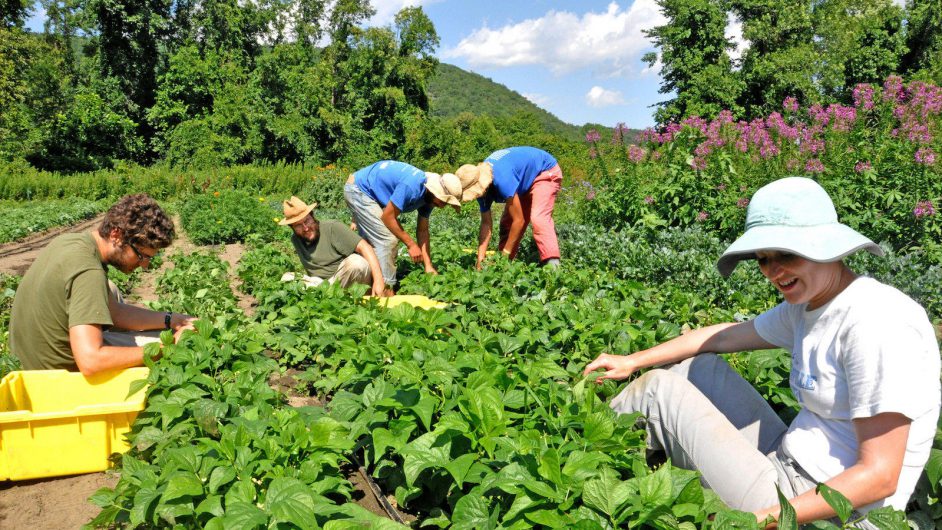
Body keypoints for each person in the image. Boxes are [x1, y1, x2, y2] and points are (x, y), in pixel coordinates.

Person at [583, 177, 940, 528]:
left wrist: (759, 521)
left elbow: (879, 477)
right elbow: (723, 337)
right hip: (789, 461)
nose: (773, 271)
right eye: (763, 258)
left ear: (827, 245)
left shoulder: (876, 322)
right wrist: (631, 361)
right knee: (698, 368)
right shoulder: (811, 304)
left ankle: (583, 456)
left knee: (658, 392)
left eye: (786, 253)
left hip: (829, 513)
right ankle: (614, 451)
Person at [9, 194, 197, 376]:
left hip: (31, 363)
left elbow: (114, 312)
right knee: (170, 354)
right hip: (60, 378)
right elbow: (92, 361)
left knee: (111, 290)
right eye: (142, 255)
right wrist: (169, 346)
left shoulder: (71, 242)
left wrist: (171, 319)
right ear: (117, 235)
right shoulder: (89, 273)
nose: (145, 264)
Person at [344, 161, 462, 287]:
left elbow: (422, 231)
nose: (443, 206)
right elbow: (388, 217)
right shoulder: (412, 186)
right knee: (386, 240)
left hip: (372, 192)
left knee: (375, 241)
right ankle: (385, 288)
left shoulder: (430, 199)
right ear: (435, 192)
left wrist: (428, 265)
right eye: (444, 201)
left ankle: (363, 280)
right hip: (359, 189)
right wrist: (411, 245)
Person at [456, 146, 562, 269]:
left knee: (538, 218)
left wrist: (506, 254)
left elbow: (520, 220)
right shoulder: (479, 189)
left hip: (544, 171)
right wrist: (480, 258)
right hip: (524, 179)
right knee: (507, 223)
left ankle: (553, 266)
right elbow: (486, 223)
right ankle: (505, 265)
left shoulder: (502, 179)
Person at [277, 196, 387, 297]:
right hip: (320, 285)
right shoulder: (295, 239)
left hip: (344, 280)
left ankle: (345, 299)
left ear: (312, 215)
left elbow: (364, 247)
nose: (306, 228)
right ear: (291, 228)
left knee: (358, 263)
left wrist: (378, 281)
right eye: (298, 225)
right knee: (287, 278)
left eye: (307, 221)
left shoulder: (332, 227)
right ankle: (324, 301)